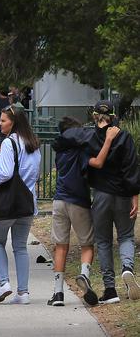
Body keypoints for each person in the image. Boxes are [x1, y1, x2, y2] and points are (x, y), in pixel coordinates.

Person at [47, 116, 120, 307]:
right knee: (87, 244)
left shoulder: (60, 151)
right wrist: (109, 139)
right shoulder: (80, 151)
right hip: (78, 201)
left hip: (59, 201)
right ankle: (84, 274)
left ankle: (58, 293)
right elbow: (97, 163)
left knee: (61, 246)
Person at [0, 105, 41, 304]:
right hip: (27, 203)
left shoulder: (9, 143)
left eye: (3, 120)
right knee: (20, 247)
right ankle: (23, 292)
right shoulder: (33, 143)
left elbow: (5, 173)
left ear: (13, 123)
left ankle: (4, 282)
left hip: (8, 204)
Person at [86, 100, 140, 304]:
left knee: (103, 241)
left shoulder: (90, 138)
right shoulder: (124, 136)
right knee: (126, 236)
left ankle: (110, 289)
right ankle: (127, 268)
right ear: (113, 115)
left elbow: (88, 168)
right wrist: (135, 194)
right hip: (124, 194)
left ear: (94, 115)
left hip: (100, 194)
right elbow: (131, 165)